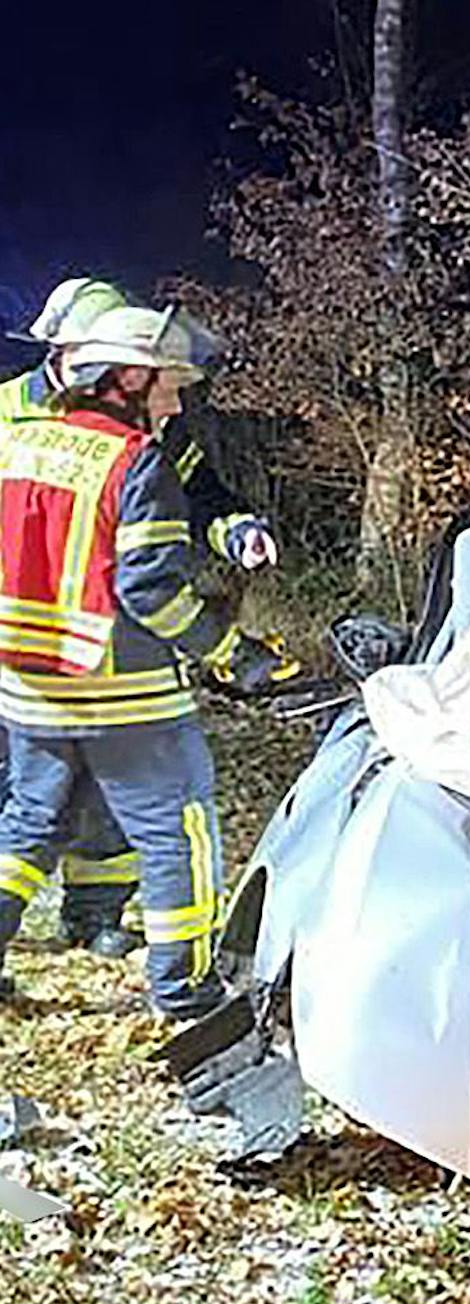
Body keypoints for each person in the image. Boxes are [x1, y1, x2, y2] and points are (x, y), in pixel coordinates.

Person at [0, 304, 297, 1015]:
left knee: (28, 828)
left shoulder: (17, 442)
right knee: (177, 833)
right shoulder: (136, 462)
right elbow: (151, 592)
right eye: (168, 385)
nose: (177, 403)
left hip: (28, 684)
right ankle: (186, 993)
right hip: (124, 693)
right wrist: (234, 654)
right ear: (127, 378)